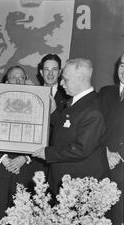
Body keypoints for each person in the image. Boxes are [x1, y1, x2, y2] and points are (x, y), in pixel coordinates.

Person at [32, 58, 109, 195]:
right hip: (66, 181)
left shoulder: (93, 109)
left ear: (80, 79)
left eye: (65, 79)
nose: (61, 83)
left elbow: (81, 149)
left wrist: (47, 153)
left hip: (78, 185)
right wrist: (54, 113)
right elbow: (69, 129)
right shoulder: (77, 101)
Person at [0, 66, 46, 221]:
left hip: (24, 168)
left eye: (22, 78)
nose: (18, 81)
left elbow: (42, 137)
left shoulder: (36, 106)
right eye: (14, 77)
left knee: (20, 216)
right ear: (6, 81)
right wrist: (3, 158)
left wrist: (24, 157)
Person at [98, 53, 124, 225]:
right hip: (101, 161)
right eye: (122, 64)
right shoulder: (105, 92)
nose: (123, 69)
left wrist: (120, 156)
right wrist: (104, 152)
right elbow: (93, 127)